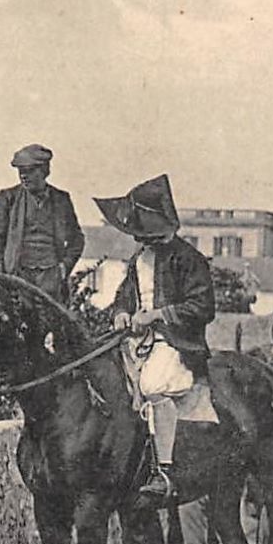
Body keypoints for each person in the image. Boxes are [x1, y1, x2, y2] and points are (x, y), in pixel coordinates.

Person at [96, 175, 216, 506]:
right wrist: (121, 312)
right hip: (136, 340)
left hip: (175, 342)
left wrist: (158, 315)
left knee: (151, 386)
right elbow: (123, 297)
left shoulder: (188, 258)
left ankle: (163, 471)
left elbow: (203, 307)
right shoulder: (139, 259)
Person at [0, 144, 84, 302]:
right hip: (16, 280)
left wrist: (64, 268)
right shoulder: (8, 198)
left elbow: (77, 240)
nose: (23, 176)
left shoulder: (61, 200)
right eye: (20, 171)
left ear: (44, 171)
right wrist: (0, 278)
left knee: (51, 325)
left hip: (51, 281)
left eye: (29, 171)